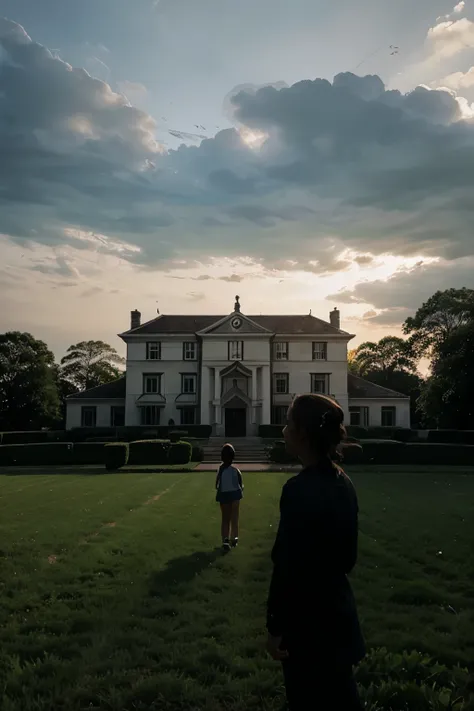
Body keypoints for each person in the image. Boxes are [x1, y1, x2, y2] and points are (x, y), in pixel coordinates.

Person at [266, 394, 365, 710]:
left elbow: (286, 566)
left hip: (307, 626)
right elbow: (348, 558)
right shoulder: (344, 483)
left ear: (302, 434)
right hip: (339, 616)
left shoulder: (297, 490)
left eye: (287, 422)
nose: (283, 430)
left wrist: (276, 627)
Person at [216, 443, 243, 551]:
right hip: (236, 494)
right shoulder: (236, 470)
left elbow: (216, 485)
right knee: (235, 519)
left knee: (225, 518)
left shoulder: (221, 470)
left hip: (224, 495)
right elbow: (241, 484)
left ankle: (225, 540)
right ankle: (234, 538)